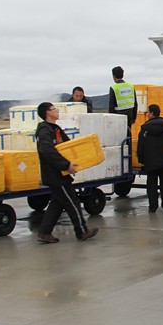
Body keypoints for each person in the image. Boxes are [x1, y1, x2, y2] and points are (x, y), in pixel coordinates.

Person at [34, 102, 98, 243]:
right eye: (54, 109)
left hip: (60, 173)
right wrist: (65, 164)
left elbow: (68, 147)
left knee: (57, 203)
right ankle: (82, 231)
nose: (57, 111)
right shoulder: (44, 130)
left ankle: (44, 233)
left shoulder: (56, 128)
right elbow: (46, 150)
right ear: (47, 113)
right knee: (72, 202)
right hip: (54, 174)